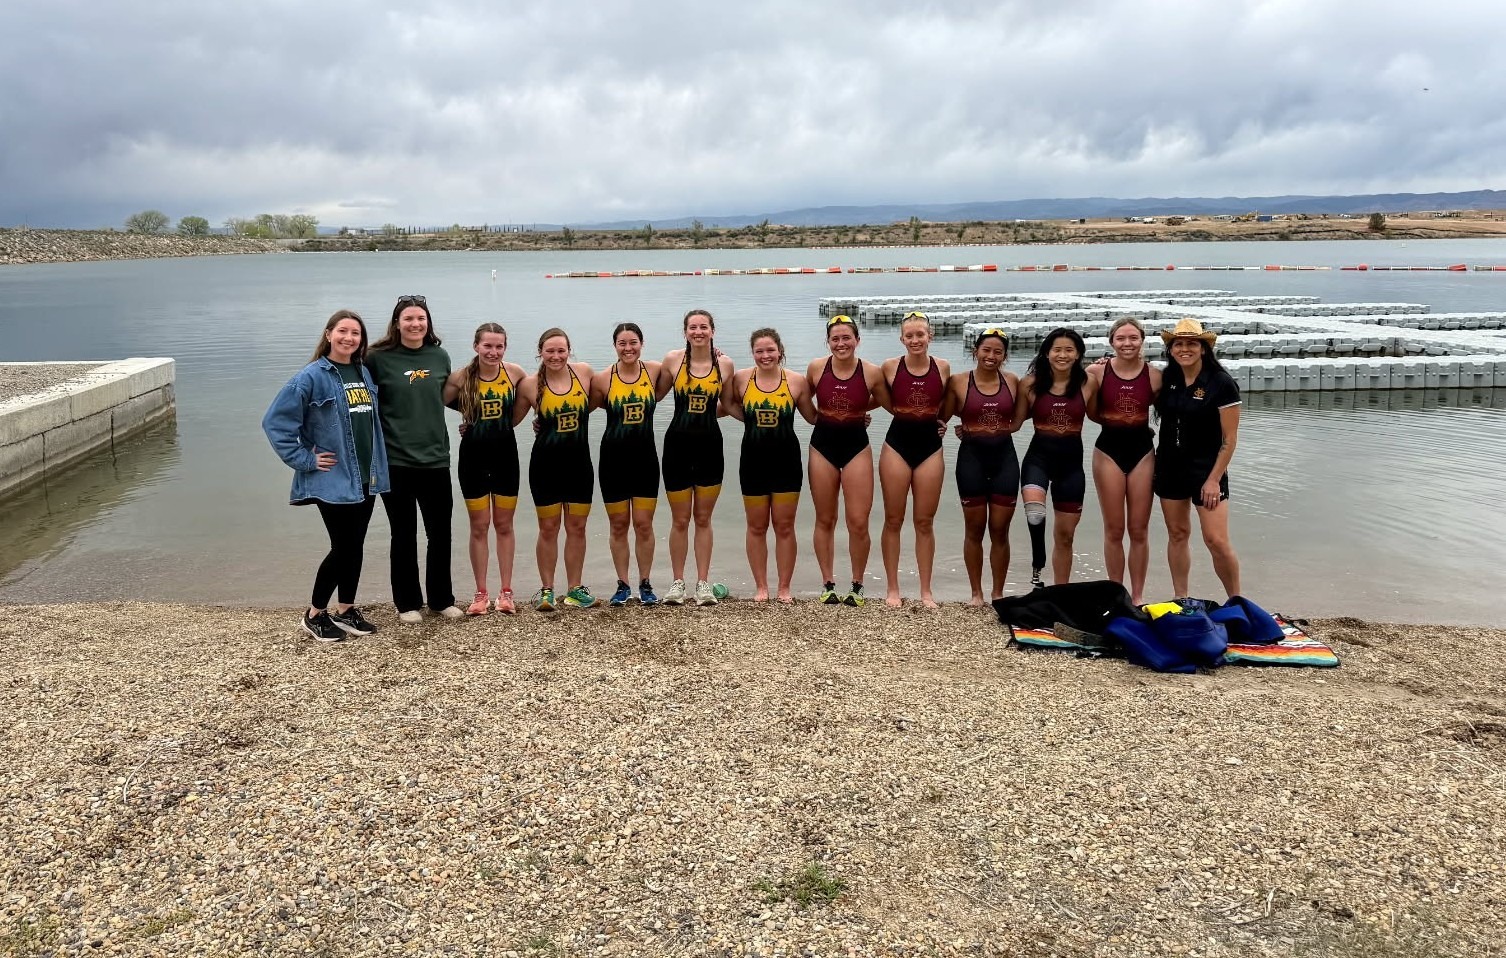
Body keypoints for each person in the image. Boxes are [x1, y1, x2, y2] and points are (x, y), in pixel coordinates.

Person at [261, 309, 390, 641]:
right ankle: (315, 614)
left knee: (355, 545)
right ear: (329, 334)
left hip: (366, 475)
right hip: (333, 477)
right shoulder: (311, 376)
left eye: (355, 333)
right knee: (343, 547)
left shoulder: (362, 372)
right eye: (343, 331)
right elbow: (275, 423)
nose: (349, 338)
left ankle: (346, 609)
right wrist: (305, 459)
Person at [364, 295, 461, 622]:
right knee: (403, 535)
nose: (415, 324)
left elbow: (446, 398)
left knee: (440, 533)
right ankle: (407, 603)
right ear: (397, 323)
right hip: (396, 461)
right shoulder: (376, 358)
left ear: (428, 322)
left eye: (421, 318)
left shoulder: (439, 356)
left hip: (435, 458)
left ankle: (440, 599)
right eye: (408, 319)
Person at [443, 323, 530, 616]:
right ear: (476, 346)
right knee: (479, 526)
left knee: (504, 525)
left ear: (505, 347)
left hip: (506, 459)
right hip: (473, 460)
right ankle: (480, 594)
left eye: (499, 346)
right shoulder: (460, 377)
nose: (493, 352)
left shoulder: (515, 374)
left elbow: (529, 402)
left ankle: (506, 592)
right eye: (487, 346)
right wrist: (469, 419)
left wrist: (539, 422)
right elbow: (435, 402)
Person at [1153, 317, 1242, 598]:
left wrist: (1214, 479)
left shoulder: (1221, 383)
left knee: (1216, 540)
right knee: (1177, 534)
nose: (1184, 349)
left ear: (1204, 348)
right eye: (1178, 344)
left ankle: (1236, 600)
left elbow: (1229, 440)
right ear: (1171, 349)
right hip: (1169, 466)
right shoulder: (1168, 379)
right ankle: (1181, 598)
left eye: (1192, 343)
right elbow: (1131, 376)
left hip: (1207, 470)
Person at [726, 328, 816, 603]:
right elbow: (726, 403)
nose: (765, 355)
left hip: (786, 462)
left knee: (784, 526)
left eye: (770, 350)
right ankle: (761, 587)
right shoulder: (741, 379)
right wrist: (749, 419)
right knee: (756, 526)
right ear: (752, 353)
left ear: (780, 351)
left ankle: (784, 587)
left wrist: (854, 417)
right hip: (752, 462)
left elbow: (813, 418)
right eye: (759, 351)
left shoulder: (797, 381)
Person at [804, 315, 887, 606]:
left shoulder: (872, 372)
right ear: (828, 342)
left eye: (846, 338)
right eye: (835, 339)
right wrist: (815, 418)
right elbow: (800, 397)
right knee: (825, 519)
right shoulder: (816, 368)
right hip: (822, 447)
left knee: (858, 521)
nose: (841, 344)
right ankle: (828, 584)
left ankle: (857, 585)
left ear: (857, 340)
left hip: (856, 448)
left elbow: (890, 402)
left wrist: (859, 408)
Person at [656, 308, 736, 606]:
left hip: (710, 448)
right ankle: (677, 583)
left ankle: (703, 584)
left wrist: (761, 420)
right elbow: (652, 396)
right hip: (676, 447)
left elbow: (728, 404)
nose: (698, 332)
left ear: (712, 331)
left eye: (704, 327)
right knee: (680, 520)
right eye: (693, 327)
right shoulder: (672, 360)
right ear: (685, 332)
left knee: (703, 519)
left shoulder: (725, 364)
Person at [941, 329, 1021, 606]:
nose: (991, 356)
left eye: (998, 352)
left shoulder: (1013, 381)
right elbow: (941, 415)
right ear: (975, 351)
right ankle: (976, 593)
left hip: (1005, 461)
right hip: (971, 461)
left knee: (1000, 530)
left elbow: (1024, 414)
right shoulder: (959, 381)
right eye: (986, 350)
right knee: (974, 530)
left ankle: (998, 593)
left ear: (1005, 356)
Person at [1086, 317, 1162, 604]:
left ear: (1142, 341)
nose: (1127, 343)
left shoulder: (1155, 376)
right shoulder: (1096, 372)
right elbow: (1089, 411)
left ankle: (1138, 597)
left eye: (1133, 338)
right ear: (1111, 342)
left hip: (1142, 452)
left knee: (1139, 530)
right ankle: (1116, 594)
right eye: (1120, 338)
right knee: (1114, 529)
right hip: (1108, 451)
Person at [878, 312, 951, 608]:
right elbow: (876, 396)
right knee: (893, 519)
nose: (915, 340)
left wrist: (944, 421)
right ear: (901, 339)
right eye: (909, 335)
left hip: (930, 449)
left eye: (920, 334)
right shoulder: (889, 367)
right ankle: (892, 589)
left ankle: (926, 591)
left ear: (930, 336)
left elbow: (948, 401)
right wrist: (860, 416)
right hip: (896, 446)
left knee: (924, 521)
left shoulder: (943, 367)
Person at [523, 328, 598, 610]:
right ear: (540, 352)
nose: (556, 356)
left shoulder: (584, 373)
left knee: (577, 528)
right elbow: (509, 419)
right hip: (545, 467)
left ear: (569, 351)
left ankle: (574, 589)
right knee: (548, 528)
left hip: (579, 465)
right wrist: (469, 424)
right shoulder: (530, 385)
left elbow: (608, 394)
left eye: (561, 350)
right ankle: (547, 591)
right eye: (550, 351)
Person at [1017, 327, 1097, 590]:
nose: (1062, 355)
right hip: (1037, 460)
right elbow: (1015, 422)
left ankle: (1060, 590)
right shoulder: (1029, 384)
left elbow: (1099, 415)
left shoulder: (1088, 383)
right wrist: (970, 427)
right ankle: (1037, 571)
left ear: (1078, 354)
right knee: (1034, 514)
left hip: (1071, 467)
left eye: (1069, 350)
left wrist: (1140, 429)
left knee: (1065, 537)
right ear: (1047, 353)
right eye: (1057, 350)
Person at [590, 323, 663, 606]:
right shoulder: (602, 379)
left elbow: (686, 368)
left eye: (633, 342)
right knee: (619, 525)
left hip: (645, 459)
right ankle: (622, 585)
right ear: (615, 346)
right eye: (622, 343)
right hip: (613, 460)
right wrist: (541, 423)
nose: (628, 348)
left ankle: (645, 583)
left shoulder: (655, 372)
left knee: (644, 525)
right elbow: (582, 409)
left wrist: (715, 353)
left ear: (642, 344)